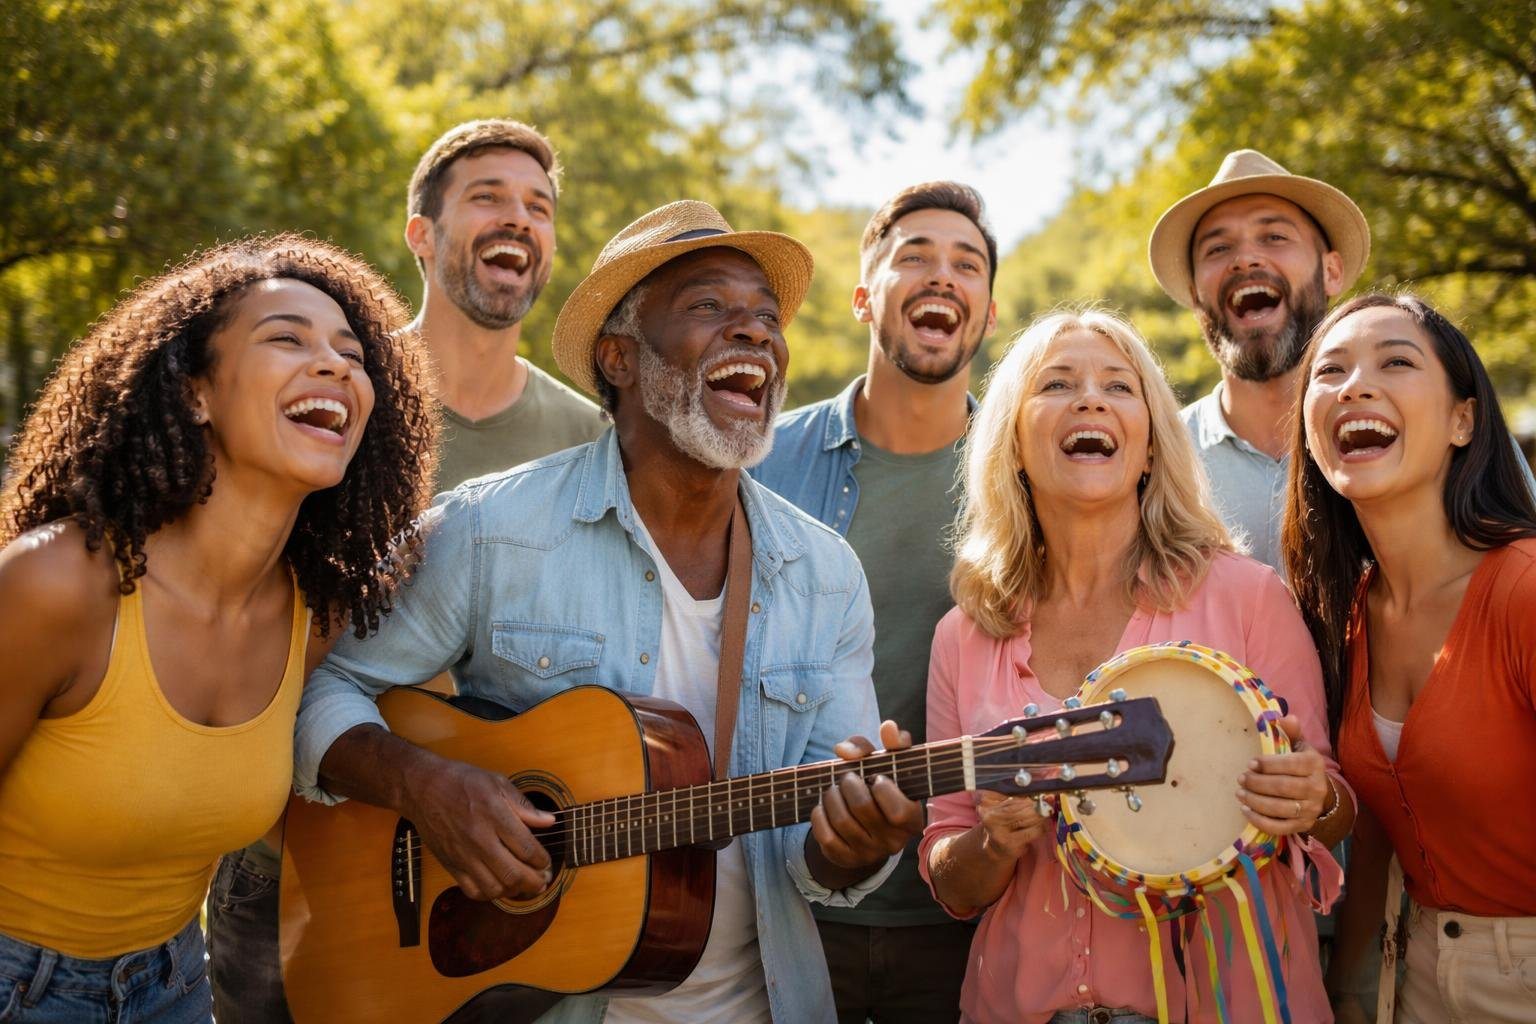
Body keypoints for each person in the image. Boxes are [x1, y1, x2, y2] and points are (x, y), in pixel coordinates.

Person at [290, 201, 924, 1023]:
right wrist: (425, 787)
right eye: (708, 306)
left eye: (768, 318)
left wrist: (852, 847)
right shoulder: (491, 529)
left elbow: (815, 861)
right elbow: (319, 688)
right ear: (620, 357)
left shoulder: (826, 576)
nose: (754, 332)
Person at [204, 119, 604, 1024]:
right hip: (285, 859)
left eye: (539, 207)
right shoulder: (324, 395)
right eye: (488, 198)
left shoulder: (587, 441)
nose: (519, 219)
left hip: (474, 894)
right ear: (422, 234)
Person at [0, 236, 435, 1023]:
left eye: (351, 353)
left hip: (173, 985)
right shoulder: (58, 585)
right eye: (287, 339)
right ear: (195, 393)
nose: (335, 365)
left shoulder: (319, 613)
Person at [919, 308, 1355, 1024]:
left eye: (1119, 387)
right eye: (1057, 384)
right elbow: (952, 878)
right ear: (1014, 446)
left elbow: (1333, 805)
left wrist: (1311, 800)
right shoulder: (962, 637)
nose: (1090, 400)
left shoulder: (1248, 597)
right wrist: (993, 842)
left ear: (1150, 447)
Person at [753, 180, 997, 1023]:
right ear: (864, 297)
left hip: (969, 904)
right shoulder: (761, 460)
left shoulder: (1029, 475)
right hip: (780, 899)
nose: (942, 276)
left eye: (967, 264)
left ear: (987, 313)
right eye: (914, 256)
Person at [1282, 294, 1536, 1023]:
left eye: (1396, 362)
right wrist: (1346, 991)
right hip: (1413, 977)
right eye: (1330, 372)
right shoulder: (1351, 614)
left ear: (1463, 421)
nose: (1355, 386)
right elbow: (1377, 836)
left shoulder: (1523, 589)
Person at [1149, 148, 1369, 572]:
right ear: (1195, 296)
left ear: (1331, 271)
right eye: (1218, 248)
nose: (1244, 259)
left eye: (1274, 237)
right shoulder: (1155, 464)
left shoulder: (1398, 438)